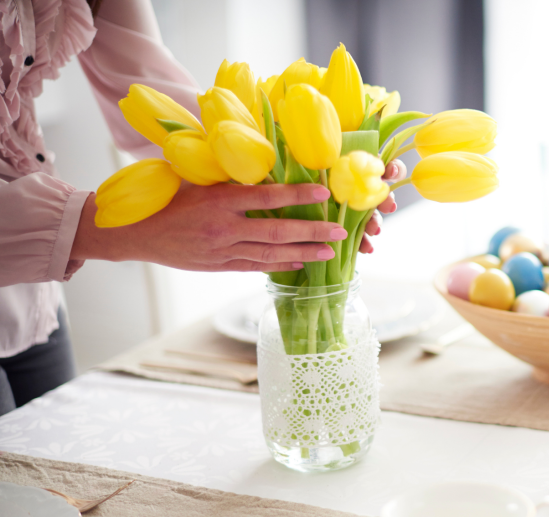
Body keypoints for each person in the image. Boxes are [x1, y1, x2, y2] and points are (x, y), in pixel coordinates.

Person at [0, 0, 405, 416]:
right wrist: (120, 231)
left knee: (49, 468)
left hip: (33, 300)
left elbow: (150, 90)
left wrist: (323, 183)